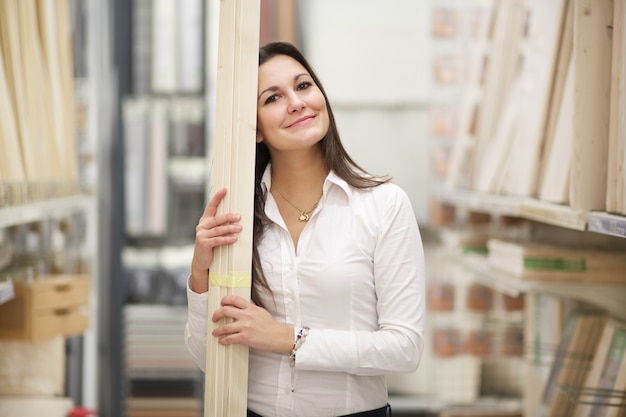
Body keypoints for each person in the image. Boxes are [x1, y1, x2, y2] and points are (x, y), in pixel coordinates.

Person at [185, 41, 425, 417]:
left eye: (302, 86)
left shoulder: (383, 205)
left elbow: (404, 348)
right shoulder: (239, 217)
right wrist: (200, 273)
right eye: (272, 98)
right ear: (256, 128)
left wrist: (288, 339)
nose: (297, 103)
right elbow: (207, 357)